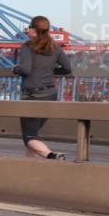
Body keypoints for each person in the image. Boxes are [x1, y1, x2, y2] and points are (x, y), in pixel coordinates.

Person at [14, 15, 73, 160]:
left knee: (29, 137)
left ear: (34, 30)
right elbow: (67, 68)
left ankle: (52, 155)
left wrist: (15, 69)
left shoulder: (27, 46)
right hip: (50, 95)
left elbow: (26, 70)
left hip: (32, 95)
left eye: (29, 28)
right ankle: (30, 168)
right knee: (34, 133)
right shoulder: (55, 47)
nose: (27, 31)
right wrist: (51, 71)